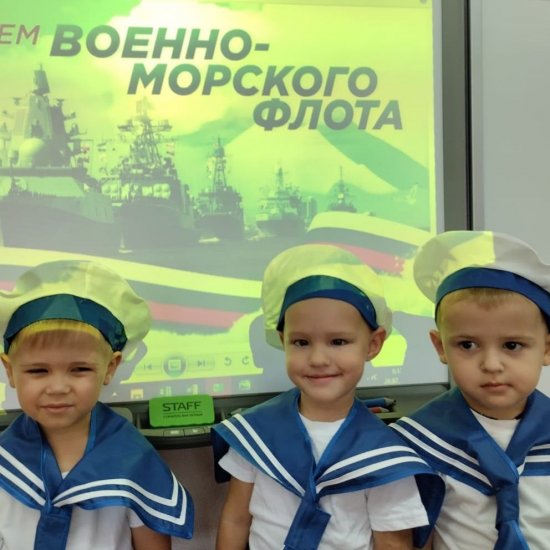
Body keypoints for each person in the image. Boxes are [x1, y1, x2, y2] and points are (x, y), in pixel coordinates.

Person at [212, 243, 444, 550]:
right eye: (301, 342)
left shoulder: (384, 455)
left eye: (338, 341)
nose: (318, 359)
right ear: (283, 340)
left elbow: (392, 543)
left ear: (373, 343)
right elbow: (236, 519)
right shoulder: (256, 433)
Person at [0, 260, 194, 550]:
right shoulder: (5, 458)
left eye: (79, 369)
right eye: (38, 371)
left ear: (110, 367)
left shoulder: (133, 461)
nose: (58, 388)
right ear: (10, 371)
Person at [392, 230, 550, 549]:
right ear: (440, 346)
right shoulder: (416, 441)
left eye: (512, 345)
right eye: (467, 345)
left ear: (547, 348)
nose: (491, 364)